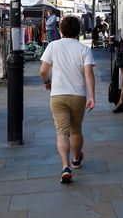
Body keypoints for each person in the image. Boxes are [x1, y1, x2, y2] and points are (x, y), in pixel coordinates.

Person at [39, 15, 95, 183]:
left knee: (62, 132)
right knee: (76, 130)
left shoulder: (53, 46)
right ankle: (76, 159)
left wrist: (48, 82)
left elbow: (43, 70)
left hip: (58, 95)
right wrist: (91, 96)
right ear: (78, 31)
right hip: (78, 95)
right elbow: (89, 74)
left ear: (61, 30)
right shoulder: (84, 49)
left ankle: (65, 167)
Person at [112, 38, 123, 113]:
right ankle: (122, 102)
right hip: (122, 57)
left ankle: (121, 103)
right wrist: (115, 42)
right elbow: (121, 44)